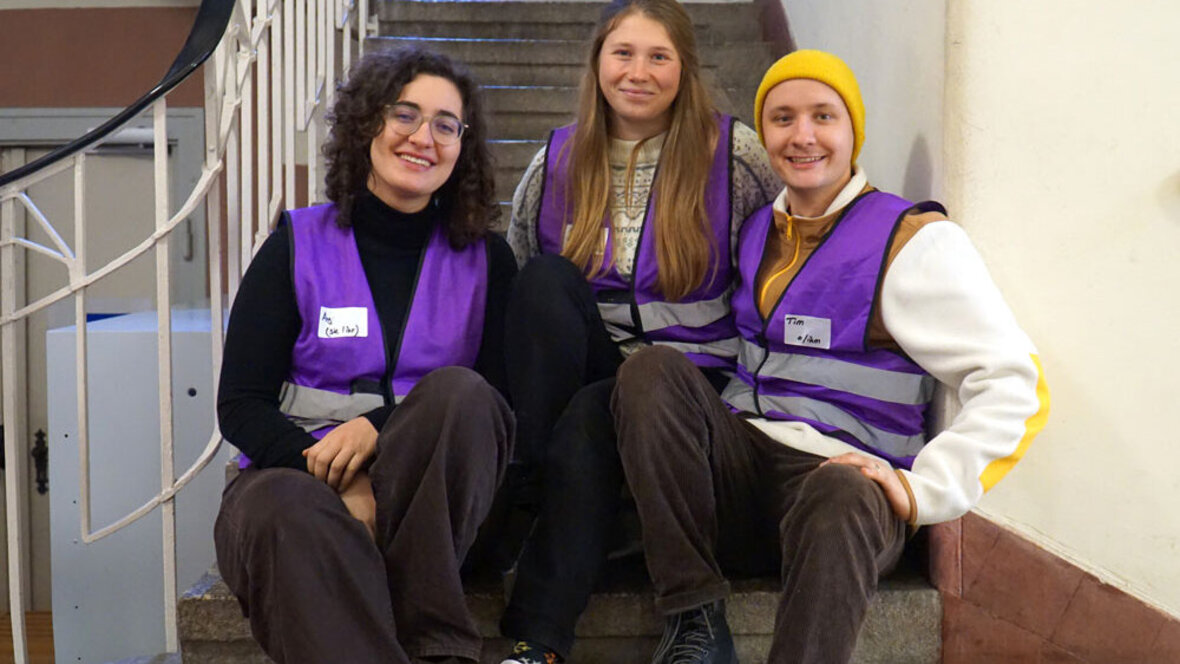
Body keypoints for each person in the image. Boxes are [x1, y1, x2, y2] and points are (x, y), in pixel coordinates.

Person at [610, 50, 1051, 664]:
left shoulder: (911, 240)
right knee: (650, 371)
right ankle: (694, 623)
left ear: (853, 133)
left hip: (839, 495)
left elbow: (1014, 383)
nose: (803, 135)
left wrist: (923, 489)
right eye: (783, 118)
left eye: (824, 116)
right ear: (764, 136)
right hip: (742, 474)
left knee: (840, 490)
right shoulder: (757, 230)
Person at [213, 47, 517, 664]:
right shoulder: (294, 242)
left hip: (433, 506)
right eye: (404, 114)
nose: (422, 137)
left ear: (463, 148)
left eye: (445, 124)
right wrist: (336, 478)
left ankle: (435, 640)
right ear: (367, 126)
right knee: (282, 512)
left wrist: (375, 435)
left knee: (463, 392)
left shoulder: (491, 261)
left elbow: (496, 405)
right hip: (297, 478)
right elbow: (239, 405)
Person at [497, 1, 780, 662]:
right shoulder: (554, 162)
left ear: (685, 68)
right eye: (623, 53)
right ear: (598, 60)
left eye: (659, 56)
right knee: (541, 283)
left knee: (588, 427)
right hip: (596, 372)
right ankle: (534, 480)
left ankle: (537, 641)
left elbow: (784, 264)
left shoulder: (736, 156)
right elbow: (517, 281)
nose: (639, 72)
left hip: (688, 389)